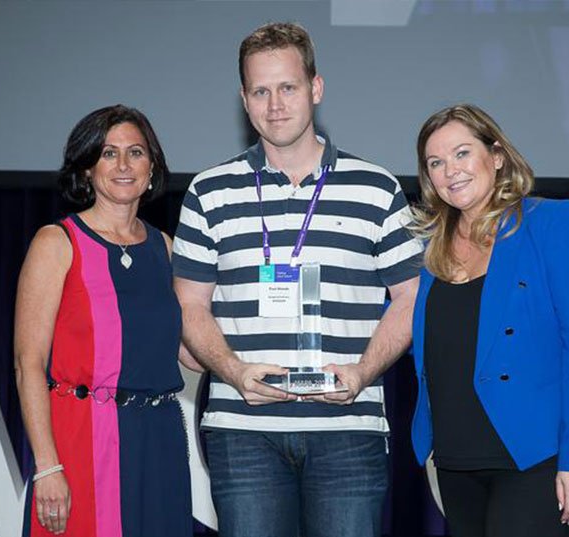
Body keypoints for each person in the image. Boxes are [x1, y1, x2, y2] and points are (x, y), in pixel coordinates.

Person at [172, 22, 422, 537]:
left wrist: (363, 371)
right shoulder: (208, 191)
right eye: (260, 91)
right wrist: (233, 371)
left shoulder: (376, 188)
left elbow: (411, 298)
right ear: (244, 100)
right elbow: (189, 306)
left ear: (316, 88)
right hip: (243, 432)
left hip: (347, 429)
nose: (275, 105)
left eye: (287, 87)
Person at [408, 103, 569, 537]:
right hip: (455, 461)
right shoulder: (431, 249)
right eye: (436, 162)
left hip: (532, 458)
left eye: (462, 153)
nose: (450, 170)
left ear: (497, 156)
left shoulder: (550, 223)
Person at [14, 104, 199, 536]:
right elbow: (28, 364)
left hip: (158, 442)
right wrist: (47, 466)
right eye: (108, 153)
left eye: (135, 152)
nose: (123, 165)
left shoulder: (166, 249)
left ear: (152, 168)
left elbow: (191, 353)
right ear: (87, 170)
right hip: (80, 440)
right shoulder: (57, 243)